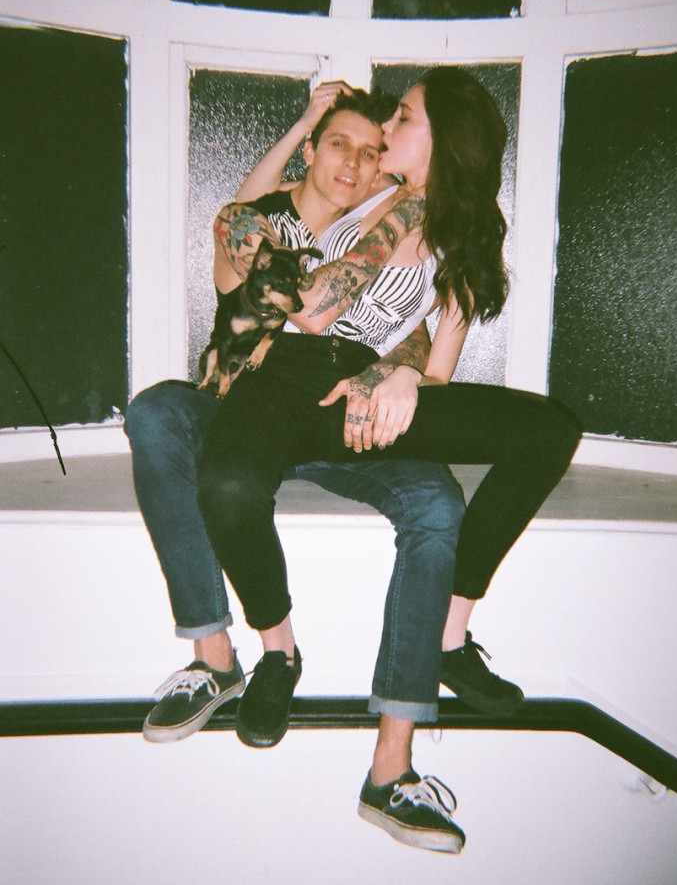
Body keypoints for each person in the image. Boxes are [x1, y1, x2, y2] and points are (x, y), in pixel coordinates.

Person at [197, 67, 582, 854]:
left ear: (443, 138)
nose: (387, 131)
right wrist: (272, 193)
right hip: (287, 375)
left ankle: (449, 634)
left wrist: (399, 376)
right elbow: (298, 288)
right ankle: (276, 650)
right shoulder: (371, 196)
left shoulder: (462, 234)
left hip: (363, 388)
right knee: (228, 482)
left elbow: (436, 367)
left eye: (404, 117)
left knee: (549, 431)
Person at [125, 83, 521, 750]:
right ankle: (217, 659)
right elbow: (290, 286)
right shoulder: (257, 225)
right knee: (157, 411)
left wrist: (396, 370)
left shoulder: (378, 227)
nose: (355, 162)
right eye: (339, 144)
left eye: (371, 151)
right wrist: (308, 119)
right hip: (250, 413)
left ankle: (397, 748)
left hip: (343, 421)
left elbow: (406, 329)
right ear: (308, 151)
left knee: (438, 505)